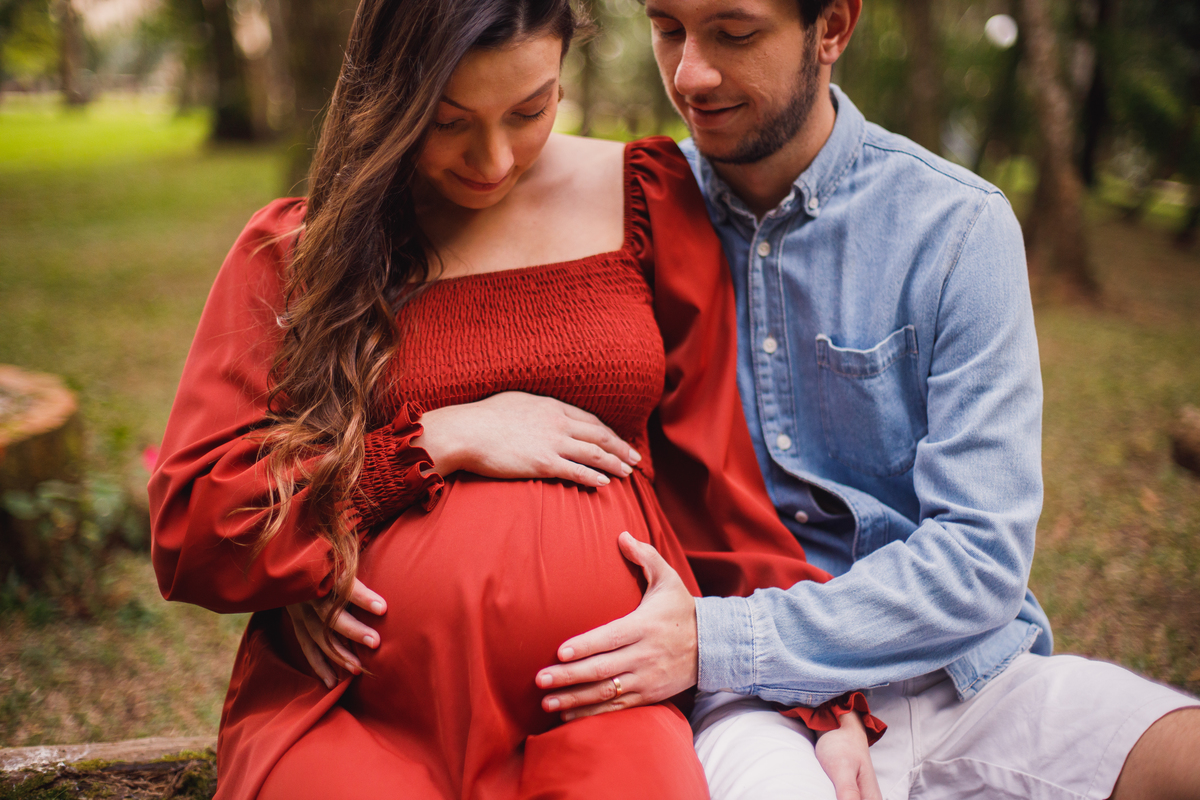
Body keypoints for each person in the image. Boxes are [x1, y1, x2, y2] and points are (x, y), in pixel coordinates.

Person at [148, 0, 886, 798]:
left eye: (530, 111)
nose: (493, 159)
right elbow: (197, 524)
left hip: (605, 706)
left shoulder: (646, 197)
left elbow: (716, 487)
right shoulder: (302, 250)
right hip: (355, 706)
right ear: (389, 96)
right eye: (448, 120)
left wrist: (815, 687)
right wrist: (436, 438)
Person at [530, 1, 1200, 799]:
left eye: (735, 33)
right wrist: (450, 427)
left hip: (962, 675)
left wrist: (720, 641)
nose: (690, 74)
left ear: (833, 28)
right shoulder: (635, 218)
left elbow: (980, 559)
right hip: (752, 707)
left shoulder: (958, 227)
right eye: (668, 27)